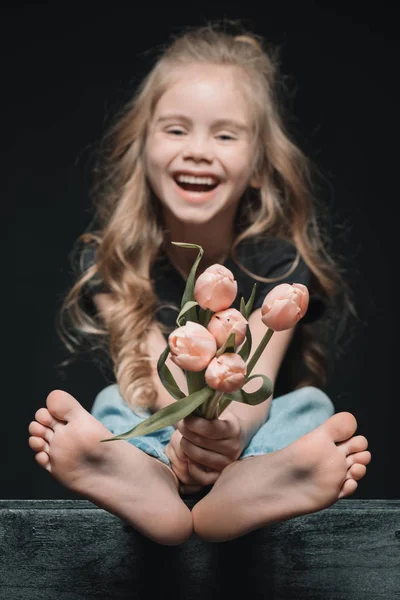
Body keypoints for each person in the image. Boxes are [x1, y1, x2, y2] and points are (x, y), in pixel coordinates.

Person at [28, 21, 371, 546]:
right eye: (175, 129)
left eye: (225, 134)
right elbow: (149, 375)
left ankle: (249, 484)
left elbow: (253, 382)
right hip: (163, 434)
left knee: (309, 410)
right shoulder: (113, 261)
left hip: (247, 433)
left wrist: (227, 434)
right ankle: (149, 482)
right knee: (111, 402)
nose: (198, 150)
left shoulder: (278, 265)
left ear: (258, 166)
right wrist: (190, 442)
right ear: (141, 150)